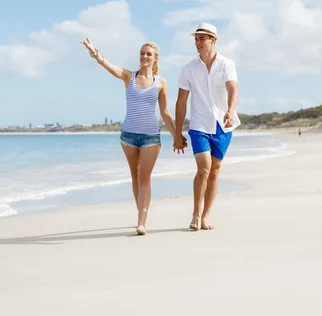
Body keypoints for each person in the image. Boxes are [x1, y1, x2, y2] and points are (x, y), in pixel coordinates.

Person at [80, 37, 185, 236]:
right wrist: (95, 54)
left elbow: (165, 113)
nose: (144, 57)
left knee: (144, 177)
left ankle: (141, 222)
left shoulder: (160, 83)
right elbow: (109, 67)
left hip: (151, 138)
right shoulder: (129, 76)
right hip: (128, 136)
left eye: (149, 54)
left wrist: (176, 135)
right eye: (142, 53)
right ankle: (141, 214)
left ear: (155, 59)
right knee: (135, 177)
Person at [173, 22, 240, 231]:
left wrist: (230, 110)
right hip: (199, 124)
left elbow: (232, 89)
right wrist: (177, 132)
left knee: (215, 170)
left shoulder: (227, 64)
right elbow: (181, 102)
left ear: (213, 40)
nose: (197, 42)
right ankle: (195, 214)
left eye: (202, 38)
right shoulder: (188, 68)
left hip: (223, 124)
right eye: (196, 38)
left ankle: (205, 215)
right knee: (204, 168)